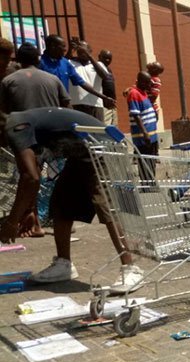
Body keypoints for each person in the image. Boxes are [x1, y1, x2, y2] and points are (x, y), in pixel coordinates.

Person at [0, 107, 144, 290]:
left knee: (106, 205)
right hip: (80, 152)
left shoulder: (15, 127)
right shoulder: (17, 123)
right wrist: (28, 210)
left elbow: (30, 177)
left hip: (101, 146)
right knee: (61, 203)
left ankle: (130, 267)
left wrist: (12, 222)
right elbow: (33, 170)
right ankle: (63, 265)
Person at [0, 43, 70, 239]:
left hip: (24, 137)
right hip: (53, 136)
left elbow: (4, 112)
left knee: (30, 177)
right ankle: (59, 220)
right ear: (38, 58)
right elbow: (67, 106)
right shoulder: (53, 79)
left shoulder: (8, 81)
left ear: (18, 60)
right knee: (54, 179)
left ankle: (34, 221)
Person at [39, 35, 114, 106]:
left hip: (64, 104)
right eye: (63, 46)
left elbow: (82, 83)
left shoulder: (65, 63)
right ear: (53, 47)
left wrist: (104, 97)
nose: (65, 49)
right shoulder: (39, 63)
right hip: (47, 103)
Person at [68, 40, 113, 121]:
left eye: (84, 50)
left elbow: (105, 76)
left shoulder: (99, 64)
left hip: (95, 105)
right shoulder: (70, 63)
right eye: (79, 50)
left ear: (90, 51)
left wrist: (89, 56)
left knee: (98, 131)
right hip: (76, 104)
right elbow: (61, 63)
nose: (82, 52)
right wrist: (70, 50)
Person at [126, 72, 159, 181]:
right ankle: (147, 183)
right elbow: (136, 114)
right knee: (145, 160)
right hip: (143, 136)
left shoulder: (143, 93)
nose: (150, 85)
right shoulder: (134, 94)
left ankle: (151, 181)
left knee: (151, 160)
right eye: (148, 82)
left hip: (152, 135)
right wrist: (145, 132)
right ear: (141, 82)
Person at [97, 49, 117, 126]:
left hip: (112, 105)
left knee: (114, 129)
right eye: (105, 57)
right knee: (106, 128)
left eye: (109, 58)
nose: (107, 60)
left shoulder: (108, 69)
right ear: (99, 57)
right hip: (104, 106)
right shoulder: (96, 68)